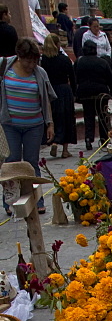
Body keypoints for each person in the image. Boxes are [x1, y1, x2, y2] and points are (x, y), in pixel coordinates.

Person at [0, 38, 55, 214]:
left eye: (34, 61)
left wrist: (49, 123)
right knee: (11, 162)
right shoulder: (4, 67)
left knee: (32, 163)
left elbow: (46, 101)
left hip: (34, 124)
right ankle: (10, 201)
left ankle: (37, 201)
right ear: (19, 56)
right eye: (28, 60)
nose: (31, 64)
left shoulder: (40, 73)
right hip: (10, 124)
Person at [74, 41, 112, 149]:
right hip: (100, 93)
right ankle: (104, 139)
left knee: (88, 116)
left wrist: (76, 92)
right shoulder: (102, 62)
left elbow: (75, 79)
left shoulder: (79, 62)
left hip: (85, 93)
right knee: (102, 115)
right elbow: (110, 79)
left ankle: (88, 139)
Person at [40, 33, 76, 159]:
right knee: (66, 118)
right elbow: (72, 76)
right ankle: (65, 150)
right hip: (64, 90)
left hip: (50, 90)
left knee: (54, 117)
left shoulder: (43, 60)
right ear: (58, 44)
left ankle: (54, 141)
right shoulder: (64, 59)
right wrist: (75, 92)